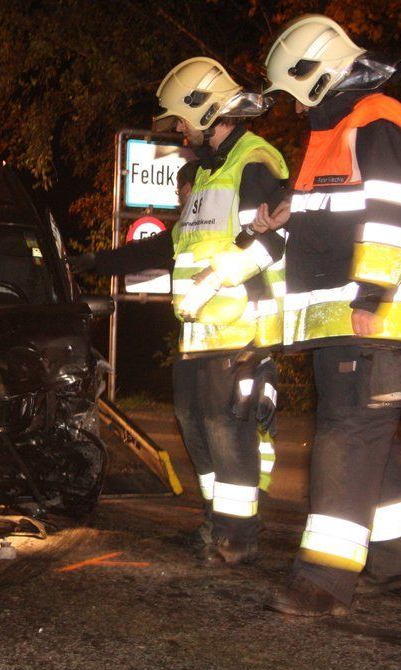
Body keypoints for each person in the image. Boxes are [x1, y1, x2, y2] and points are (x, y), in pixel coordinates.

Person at [70, 57, 287, 565]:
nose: (181, 133)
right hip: (199, 336)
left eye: (184, 122)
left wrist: (216, 283)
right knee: (198, 434)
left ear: (207, 112)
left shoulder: (253, 163)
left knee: (229, 437)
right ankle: (216, 524)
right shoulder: (207, 175)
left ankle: (237, 537)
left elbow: (270, 243)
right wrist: (94, 261)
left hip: (239, 331)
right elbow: (167, 248)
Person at [255, 14, 401, 616]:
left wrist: (371, 295)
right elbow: (334, 217)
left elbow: (398, 213)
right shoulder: (340, 130)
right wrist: (289, 210)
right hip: (343, 320)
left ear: (316, 74)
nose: (292, 104)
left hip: (368, 320)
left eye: (293, 90)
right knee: (366, 438)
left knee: (346, 439)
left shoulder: (377, 121)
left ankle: (323, 584)